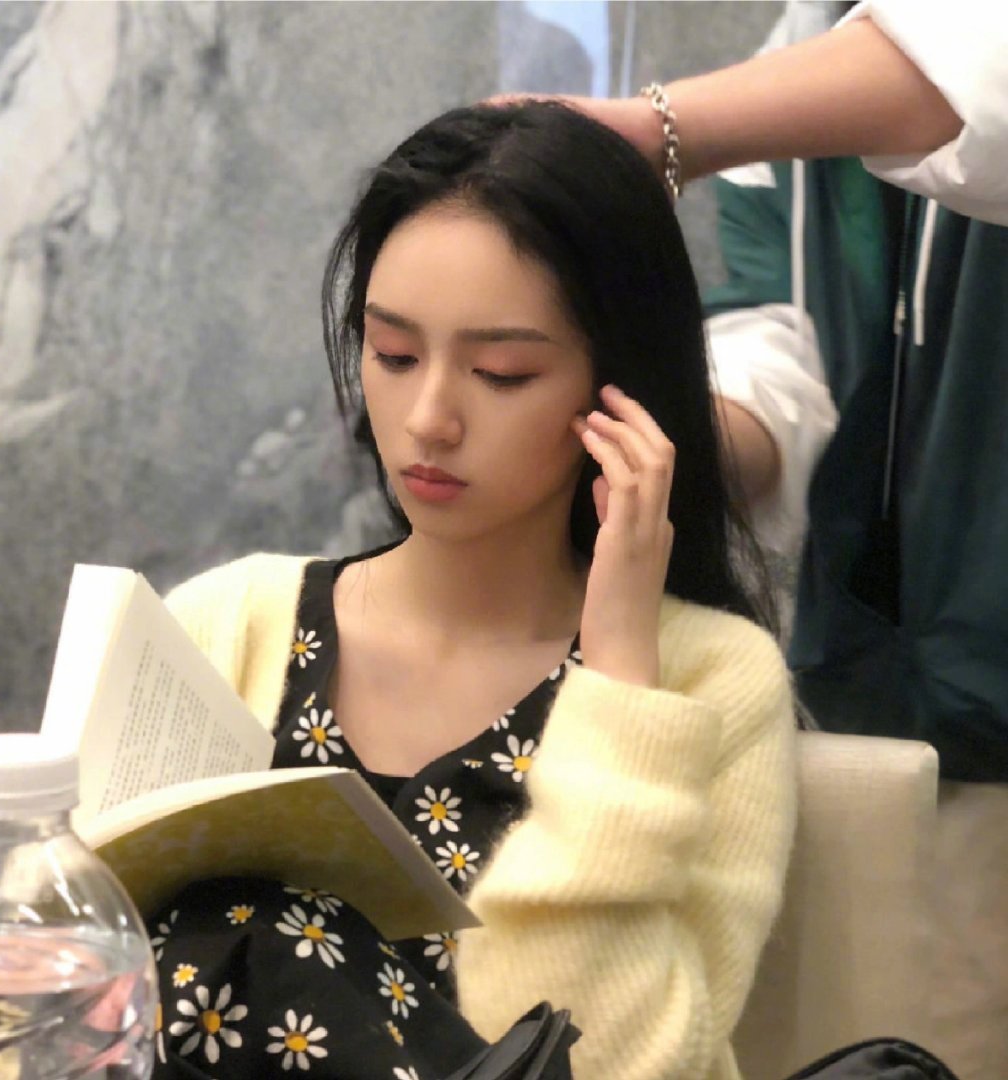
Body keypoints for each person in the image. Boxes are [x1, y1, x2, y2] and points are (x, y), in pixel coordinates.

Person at [154, 101, 796, 1080]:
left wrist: (621, 677)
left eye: (501, 373)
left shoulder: (709, 680)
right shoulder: (226, 624)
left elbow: (618, 1062)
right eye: (393, 354)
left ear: (618, 393)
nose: (429, 418)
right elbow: (72, 975)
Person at [544, 2, 1008, 1074]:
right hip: (858, 696)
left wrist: (662, 129)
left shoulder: (790, 91)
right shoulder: (803, 44)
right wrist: (668, 447)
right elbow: (780, 350)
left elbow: (975, 75)